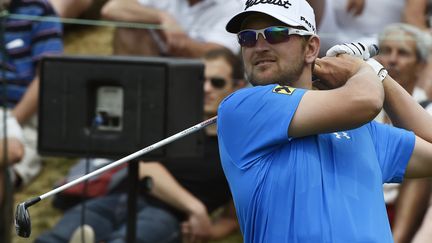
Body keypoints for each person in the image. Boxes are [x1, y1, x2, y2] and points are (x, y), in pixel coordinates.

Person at [217, 0, 432, 242]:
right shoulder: (243, 107)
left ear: (310, 48)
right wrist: (361, 70)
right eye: (247, 38)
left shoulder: (361, 128)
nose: (259, 46)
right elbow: (366, 100)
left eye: (275, 34)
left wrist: (379, 73)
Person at [35, 48, 244, 243]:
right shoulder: (170, 120)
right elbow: (144, 166)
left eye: (217, 82)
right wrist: (195, 207)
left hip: (166, 215)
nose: (206, 89)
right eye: (201, 80)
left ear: (238, 86)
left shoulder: (241, 146)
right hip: (118, 198)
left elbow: (233, 218)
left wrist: (207, 231)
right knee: (55, 238)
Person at [0, 0, 62, 240]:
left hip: (23, 115)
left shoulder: (39, 10)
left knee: (6, 166)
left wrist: (12, 121)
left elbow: (48, 74)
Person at [374, 23, 432, 243]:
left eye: (403, 53)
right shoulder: (361, 108)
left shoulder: (429, 110)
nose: (392, 59)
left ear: (421, 65)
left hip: (402, 211)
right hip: (365, 201)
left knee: (423, 160)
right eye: (386, 51)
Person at [100, 0, 243, 57]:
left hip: (199, 76)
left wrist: (180, 39)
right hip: (152, 59)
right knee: (129, 29)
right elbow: (112, 9)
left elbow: (220, 56)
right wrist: (162, 17)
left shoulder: (233, 5)